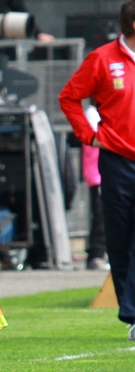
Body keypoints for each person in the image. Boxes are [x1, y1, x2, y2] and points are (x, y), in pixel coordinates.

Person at [59, 0, 135, 341]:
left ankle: (134, 311)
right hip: (117, 160)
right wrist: (89, 136)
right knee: (118, 240)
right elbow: (69, 97)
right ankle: (131, 315)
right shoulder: (102, 59)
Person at [81, 105, 110, 271]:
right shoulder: (92, 114)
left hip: (102, 173)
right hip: (97, 173)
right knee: (100, 216)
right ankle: (96, 255)